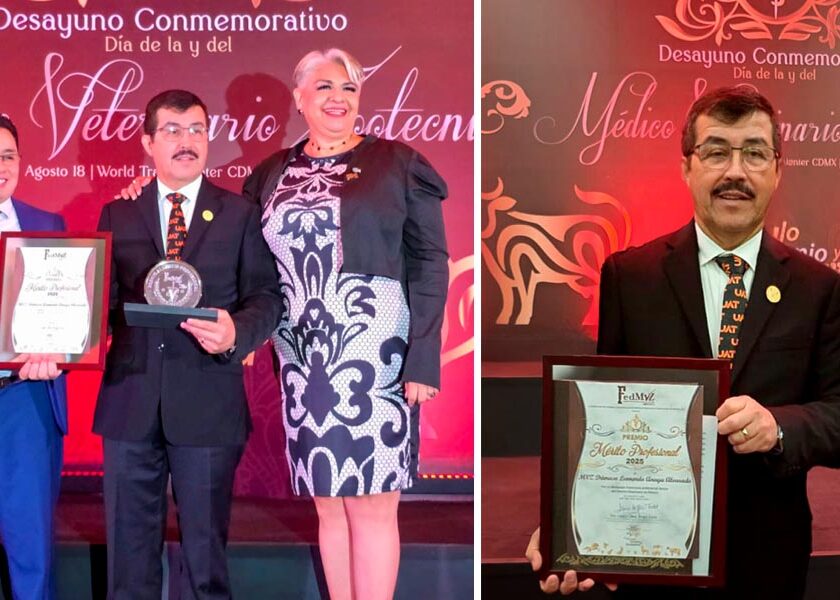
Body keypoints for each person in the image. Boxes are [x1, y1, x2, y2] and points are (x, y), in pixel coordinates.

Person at [530, 86, 840, 599]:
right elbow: (599, 414)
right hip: (650, 558)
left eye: (754, 153)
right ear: (686, 167)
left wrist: (778, 426)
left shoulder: (820, 287)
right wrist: (569, 524)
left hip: (766, 557)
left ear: (777, 170)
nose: (735, 172)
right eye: (716, 152)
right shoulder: (631, 276)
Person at [244, 48, 449, 600]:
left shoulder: (398, 163)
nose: (338, 98)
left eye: (349, 88)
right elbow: (250, 265)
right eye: (324, 87)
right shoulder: (270, 173)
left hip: (377, 352)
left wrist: (423, 358)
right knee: (329, 504)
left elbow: (431, 263)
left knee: (373, 503)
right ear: (299, 98)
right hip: (301, 355)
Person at [95, 90, 282, 600]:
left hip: (208, 403)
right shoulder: (119, 212)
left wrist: (237, 333)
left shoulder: (240, 213)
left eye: (197, 129)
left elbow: (267, 296)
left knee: (205, 562)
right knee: (129, 564)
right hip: (130, 403)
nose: (187, 141)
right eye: (173, 130)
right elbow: (99, 302)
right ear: (148, 143)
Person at [0, 114, 67, 600]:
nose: (0, 167)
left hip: (27, 400)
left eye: (7, 156)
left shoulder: (47, 225)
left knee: (31, 550)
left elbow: (67, 311)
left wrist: (61, 348)